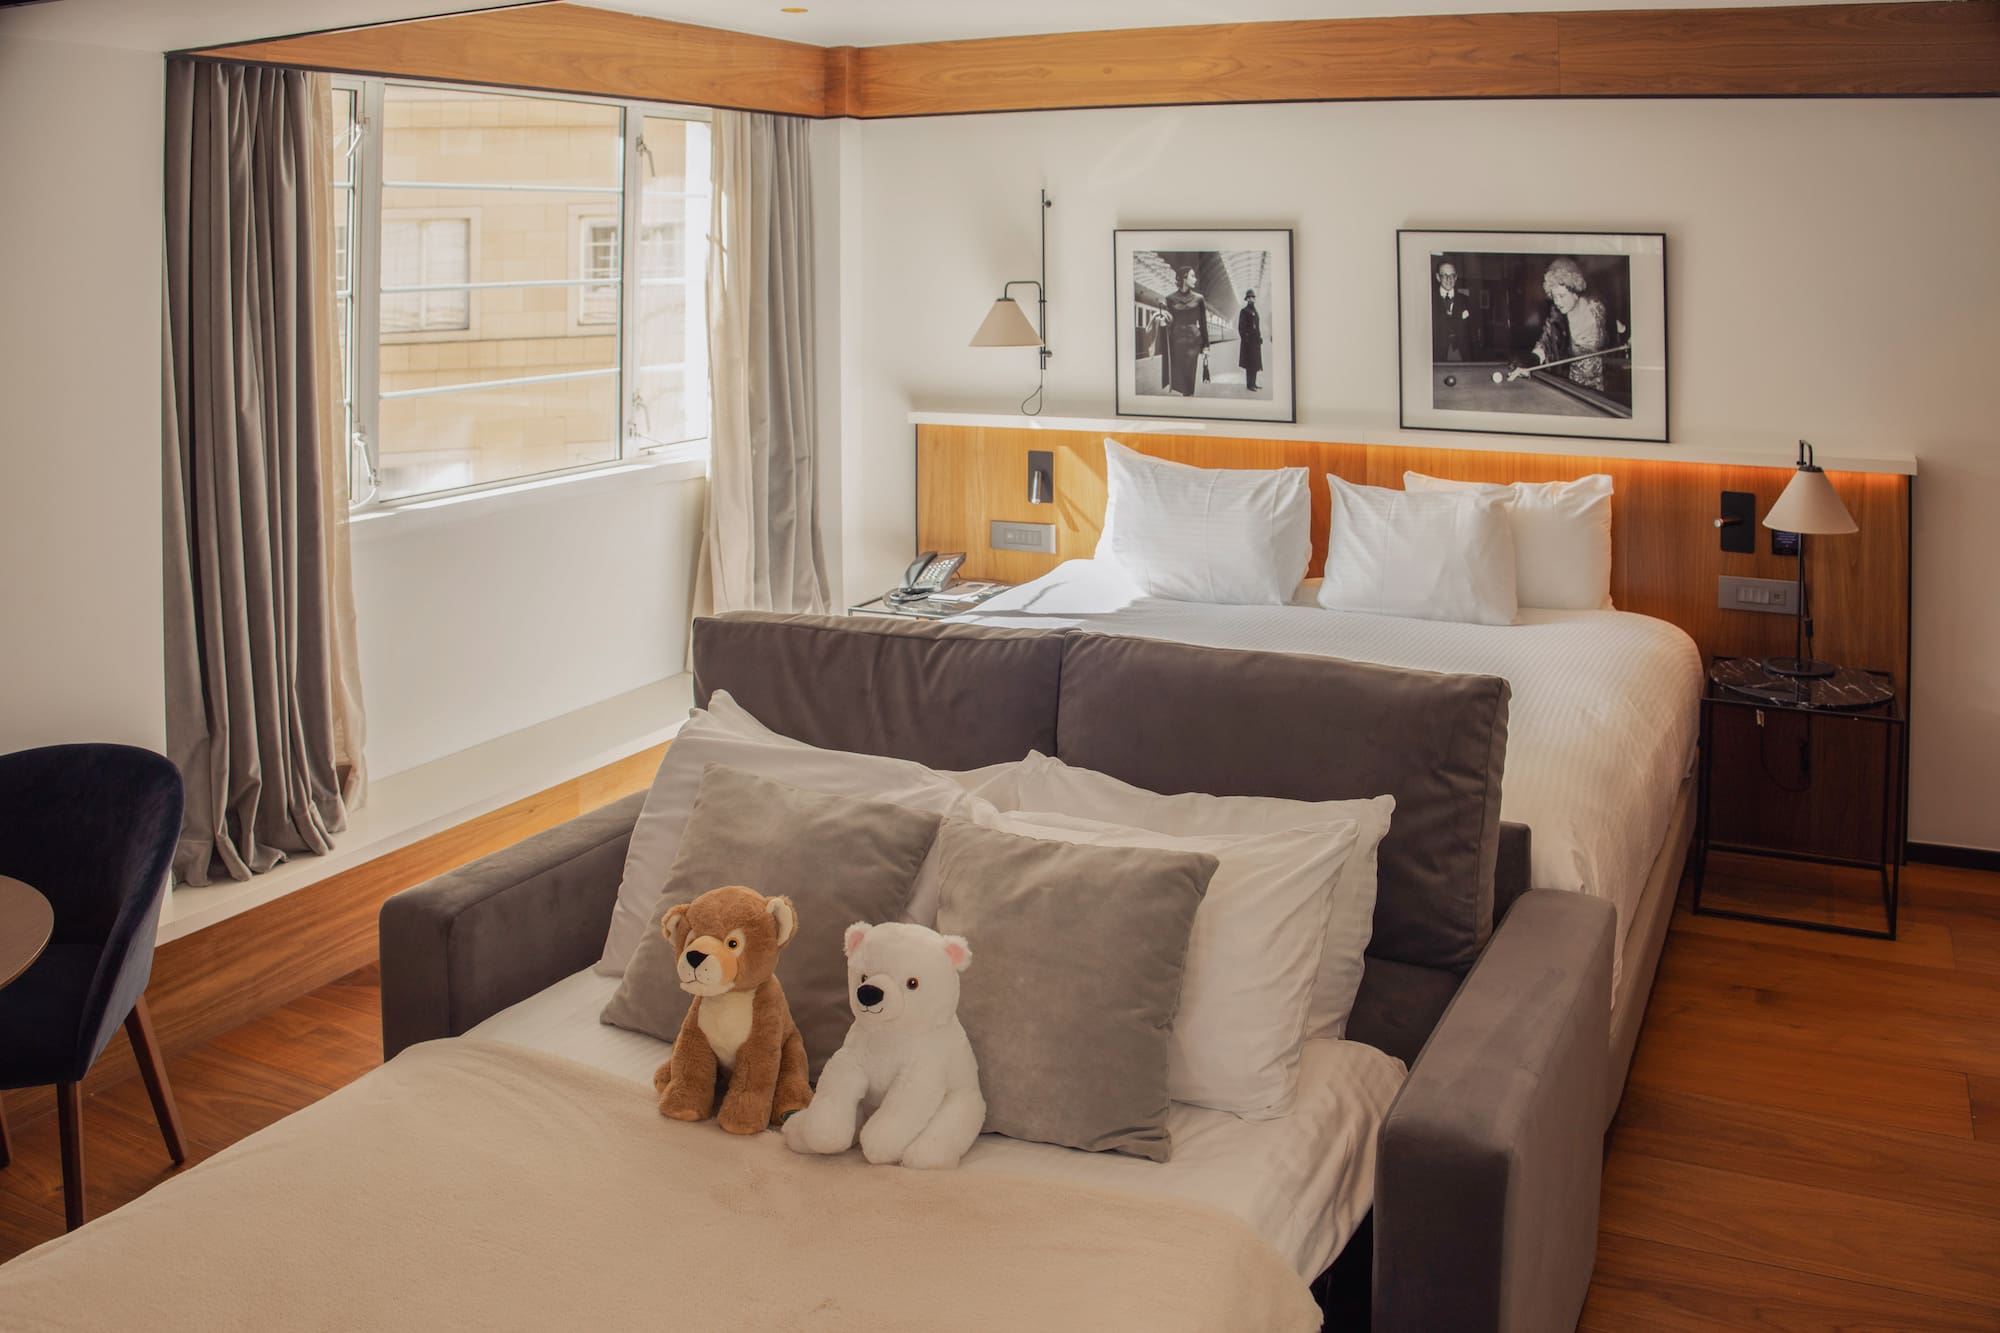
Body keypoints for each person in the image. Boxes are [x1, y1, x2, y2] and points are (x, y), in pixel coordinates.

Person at [1510, 257, 1624, 391]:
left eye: (1562, 296)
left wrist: (1627, 334)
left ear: (1575, 291)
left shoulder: (1597, 308)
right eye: (1554, 296)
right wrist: (1531, 360)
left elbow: (1618, 328)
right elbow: (1546, 343)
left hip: (1606, 388)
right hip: (1573, 388)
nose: (1557, 302)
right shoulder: (1558, 316)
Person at [1160, 265, 1210, 396]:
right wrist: (1162, 322)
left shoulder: (1199, 299)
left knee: (1189, 373)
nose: (1195, 279)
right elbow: (1169, 322)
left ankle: (1188, 396)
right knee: (1181, 376)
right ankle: (1186, 396)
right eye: (1192, 276)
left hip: (1194, 341)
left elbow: (1203, 324)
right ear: (1184, 277)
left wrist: (1206, 346)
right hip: (1177, 341)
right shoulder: (1170, 299)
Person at [1431, 259, 1475, 362]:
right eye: (1444, 275)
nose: (1449, 279)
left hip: (1461, 355)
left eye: (1452, 276)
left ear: (1456, 277)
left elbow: (1472, 331)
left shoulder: (1465, 300)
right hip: (1436, 355)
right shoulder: (1430, 299)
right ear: (1438, 277)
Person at [1237, 288, 1264, 393]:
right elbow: (1241, 327)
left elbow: (1257, 326)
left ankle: (1254, 383)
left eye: (1253, 297)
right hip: (1249, 343)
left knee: (1255, 363)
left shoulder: (1255, 311)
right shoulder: (1244, 311)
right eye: (1250, 297)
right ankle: (1249, 385)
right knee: (1250, 364)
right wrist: (1246, 339)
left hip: (1256, 342)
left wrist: (1260, 337)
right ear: (1247, 299)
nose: (1252, 299)